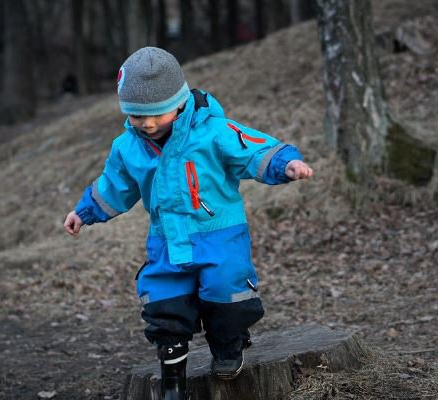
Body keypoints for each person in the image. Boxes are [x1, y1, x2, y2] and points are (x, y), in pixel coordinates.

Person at [64, 47, 313, 400]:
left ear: (179, 103)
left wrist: (285, 165)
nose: (147, 123)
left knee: (227, 294)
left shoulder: (212, 131)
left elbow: (254, 149)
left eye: (156, 114)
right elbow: (113, 185)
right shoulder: (127, 147)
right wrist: (85, 212)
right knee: (164, 304)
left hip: (220, 236)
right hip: (166, 240)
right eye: (136, 115)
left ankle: (228, 346)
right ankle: (172, 379)